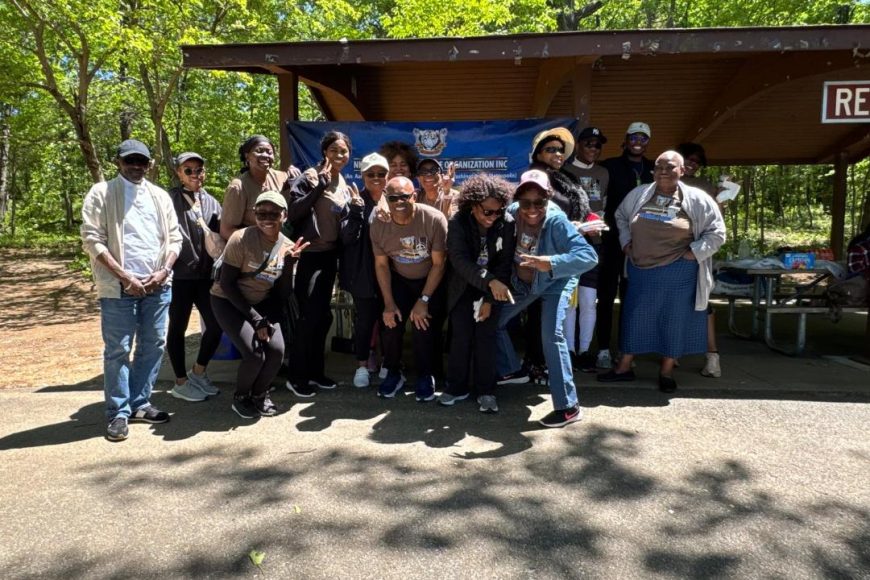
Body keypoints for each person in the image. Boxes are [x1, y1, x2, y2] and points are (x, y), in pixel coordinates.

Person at [80, 139, 182, 441]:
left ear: (150, 164)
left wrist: (164, 271)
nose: (136, 166)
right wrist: (125, 277)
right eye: (130, 161)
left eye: (141, 161)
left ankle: (140, 403)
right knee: (118, 350)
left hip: (158, 285)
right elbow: (92, 240)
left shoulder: (160, 196)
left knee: (153, 345)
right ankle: (118, 412)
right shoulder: (102, 193)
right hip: (118, 287)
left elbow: (175, 238)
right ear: (118, 162)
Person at [599, 151, 725, 392]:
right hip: (640, 268)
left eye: (670, 167)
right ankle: (624, 367)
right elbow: (621, 216)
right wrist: (626, 243)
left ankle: (666, 371)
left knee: (674, 319)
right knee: (634, 316)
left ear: (682, 170)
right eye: (659, 167)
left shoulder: (698, 199)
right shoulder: (639, 194)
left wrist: (694, 252)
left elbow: (717, 233)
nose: (663, 172)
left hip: (679, 270)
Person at [496, 169, 598, 428]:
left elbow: (589, 257)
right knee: (494, 320)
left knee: (551, 336)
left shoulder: (556, 221)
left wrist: (551, 262)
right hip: (523, 282)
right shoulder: (511, 213)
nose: (532, 209)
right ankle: (513, 370)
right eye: (526, 202)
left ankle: (568, 407)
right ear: (517, 200)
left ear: (549, 198)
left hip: (555, 281)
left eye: (539, 202)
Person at [210, 192, 309, 418]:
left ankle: (259, 394)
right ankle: (241, 397)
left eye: (273, 213)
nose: (267, 218)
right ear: (254, 215)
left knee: (276, 351)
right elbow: (227, 284)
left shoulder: (288, 247)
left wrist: (289, 265)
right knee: (254, 354)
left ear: (284, 216)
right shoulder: (241, 239)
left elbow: (282, 294)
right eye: (261, 213)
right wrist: (256, 320)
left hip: (263, 302)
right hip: (227, 301)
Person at [437, 174, 516, 413]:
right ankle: (456, 387)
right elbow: (459, 261)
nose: (493, 217)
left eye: (498, 211)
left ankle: (486, 391)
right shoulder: (458, 221)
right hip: (462, 287)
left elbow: (504, 263)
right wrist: (490, 281)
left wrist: (490, 299)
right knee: (460, 338)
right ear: (473, 205)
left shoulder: (507, 222)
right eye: (487, 212)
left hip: (493, 289)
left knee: (486, 339)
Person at [285, 131, 353, 396]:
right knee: (308, 317)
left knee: (323, 317)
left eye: (344, 151)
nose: (339, 155)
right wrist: (319, 188)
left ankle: (315, 373)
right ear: (325, 152)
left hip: (330, 256)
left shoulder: (343, 181)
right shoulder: (311, 176)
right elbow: (293, 212)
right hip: (309, 255)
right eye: (334, 150)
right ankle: (296, 376)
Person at [370, 177, 448, 402]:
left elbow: (439, 264)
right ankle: (394, 372)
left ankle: (426, 375)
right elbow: (381, 265)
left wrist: (424, 300)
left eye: (404, 196)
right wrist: (388, 303)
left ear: (414, 195)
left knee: (422, 324)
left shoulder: (434, 219)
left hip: (429, 279)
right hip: (400, 280)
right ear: (386, 198)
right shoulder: (379, 224)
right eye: (393, 198)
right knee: (390, 323)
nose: (399, 202)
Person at [597, 122, 655, 369]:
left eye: (643, 138)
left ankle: (626, 349)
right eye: (633, 137)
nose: (637, 142)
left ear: (648, 142)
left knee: (633, 298)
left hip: (642, 243)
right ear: (626, 139)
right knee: (606, 295)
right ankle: (602, 348)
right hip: (612, 241)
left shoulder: (654, 168)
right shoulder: (609, 166)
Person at [166, 152, 223, 402]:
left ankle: (198, 372)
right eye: (188, 170)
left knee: (216, 324)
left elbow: (222, 233)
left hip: (206, 277)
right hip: (180, 276)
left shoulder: (212, 202)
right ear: (179, 173)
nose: (194, 174)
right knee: (177, 327)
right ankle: (180, 382)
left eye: (199, 169)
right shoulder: (169, 199)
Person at [340, 152, 389, 388]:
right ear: (363, 176)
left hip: (392, 273)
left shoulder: (396, 198)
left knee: (390, 320)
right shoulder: (354, 201)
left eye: (381, 173)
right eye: (371, 174)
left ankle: (389, 362)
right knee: (365, 321)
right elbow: (347, 238)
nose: (376, 178)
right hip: (363, 274)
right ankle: (361, 365)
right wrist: (357, 211)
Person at [563, 127, 610, 372]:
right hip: (570, 243)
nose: (593, 148)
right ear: (578, 145)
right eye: (588, 143)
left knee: (589, 301)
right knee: (570, 301)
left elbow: (604, 205)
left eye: (597, 144)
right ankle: (569, 351)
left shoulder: (603, 173)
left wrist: (597, 227)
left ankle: (584, 351)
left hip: (595, 244)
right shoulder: (564, 171)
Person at [677, 142, 724, 378]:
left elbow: (717, 225)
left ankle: (712, 357)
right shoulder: (662, 183)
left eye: (697, 161)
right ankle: (672, 353)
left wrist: (721, 200)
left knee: (703, 302)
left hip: (698, 254)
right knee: (673, 304)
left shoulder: (706, 187)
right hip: (669, 253)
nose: (692, 164)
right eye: (688, 159)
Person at [220, 135, 298, 241]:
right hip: (252, 245)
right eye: (259, 151)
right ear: (247, 156)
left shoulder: (282, 177)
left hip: (282, 242)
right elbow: (226, 231)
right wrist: (259, 244)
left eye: (269, 152)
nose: (265, 155)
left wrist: (295, 174)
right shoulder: (238, 187)